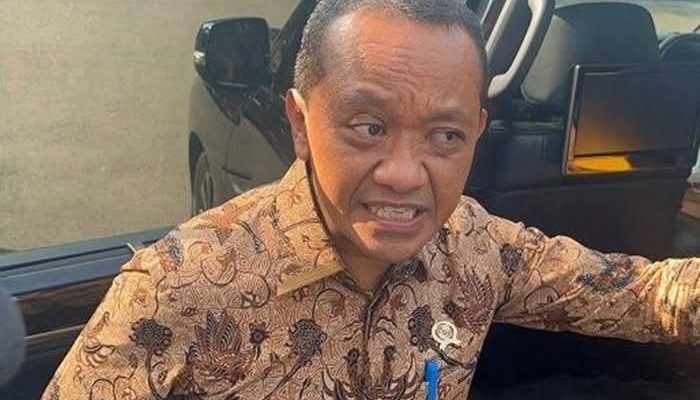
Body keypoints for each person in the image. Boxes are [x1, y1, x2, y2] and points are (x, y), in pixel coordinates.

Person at [42, 0, 700, 399]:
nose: (405, 175)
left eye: (445, 135)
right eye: (368, 127)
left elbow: (641, 296)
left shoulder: (476, 247)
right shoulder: (178, 288)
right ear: (301, 124)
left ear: (477, 133)